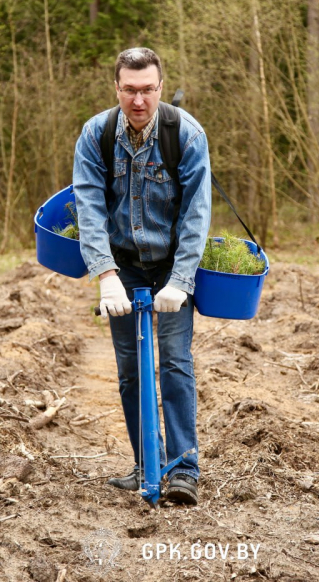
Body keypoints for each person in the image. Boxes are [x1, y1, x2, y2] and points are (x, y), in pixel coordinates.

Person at [73, 47, 211, 505]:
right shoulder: (97, 134)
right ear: (117, 88)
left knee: (173, 363)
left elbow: (196, 215)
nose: (138, 100)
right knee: (131, 371)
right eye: (129, 90)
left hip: (172, 262)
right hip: (124, 264)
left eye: (147, 89)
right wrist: (106, 275)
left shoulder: (185, 135)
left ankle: (183, 470)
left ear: (159, 86)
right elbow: (89, 207)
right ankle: (144, 462)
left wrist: (181, 281)